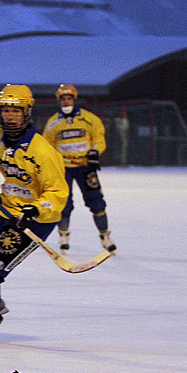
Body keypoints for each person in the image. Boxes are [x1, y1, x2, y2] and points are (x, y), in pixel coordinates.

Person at [0, 84, 69, 344]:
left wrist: (36, 208)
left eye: (16, 111)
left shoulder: (41, 151)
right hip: (4, 210)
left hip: (34, 221)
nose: (10, 116)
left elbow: (58, 192)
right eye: (5, 110)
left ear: (27, 113)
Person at [42, 84, 116, 253]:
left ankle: (105, 236)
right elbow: (47, 145)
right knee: (63, 201)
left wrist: (94, 152)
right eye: (63, 99)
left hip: (85, 166)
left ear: (74, 100)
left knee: (96, 201)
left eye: (69, 99)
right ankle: (63, 235)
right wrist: (53, 158)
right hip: (64, 168)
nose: (66, 102)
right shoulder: (53, 122)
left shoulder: (89, 118)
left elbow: (98, 137)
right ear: (59, 101)